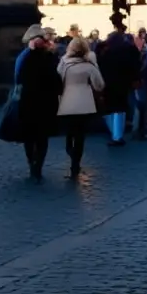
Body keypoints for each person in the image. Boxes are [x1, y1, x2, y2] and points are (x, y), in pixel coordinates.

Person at [16, 25, 62, 182]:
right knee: (42, 137)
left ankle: (31, 163)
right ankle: (38, 166)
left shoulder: (25, 58)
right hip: (46, 103)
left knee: (29, 136)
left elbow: (18, 78)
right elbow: (57, 81)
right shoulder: (49, 58)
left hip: (28, 101)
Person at [57, 36, 104, 178]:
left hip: (67, 101)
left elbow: (58, 80)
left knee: (69, 131)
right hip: (84, 103)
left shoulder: (63, 63)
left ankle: (70, 151)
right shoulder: (89, 65)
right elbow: (99, 85)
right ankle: (75, 163)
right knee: (80, 135)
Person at [97, 14, 141, 146]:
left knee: (109, 108)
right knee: (119, 108)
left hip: (107, 82)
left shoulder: (104, 49)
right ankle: (117, 135)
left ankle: (114, 133)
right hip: (122, 83)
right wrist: (134, 78)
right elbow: (135, 64)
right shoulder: (128, 49)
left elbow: (98, 64)